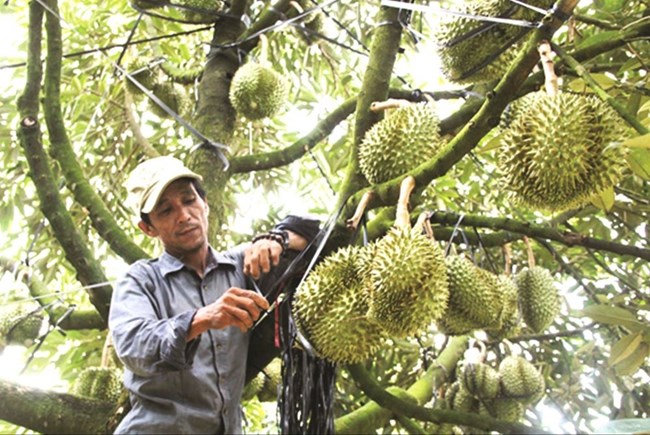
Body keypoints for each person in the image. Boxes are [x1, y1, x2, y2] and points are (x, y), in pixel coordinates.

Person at [109, 155, 320, 434]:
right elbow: (135, 346)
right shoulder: (140, 280)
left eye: (189, 200)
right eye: (165, 211)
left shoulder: (242, 266)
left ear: (205, 204)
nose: (184, 216)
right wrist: (202, 319)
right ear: (148, 228)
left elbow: (327, 236)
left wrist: (277, 237)